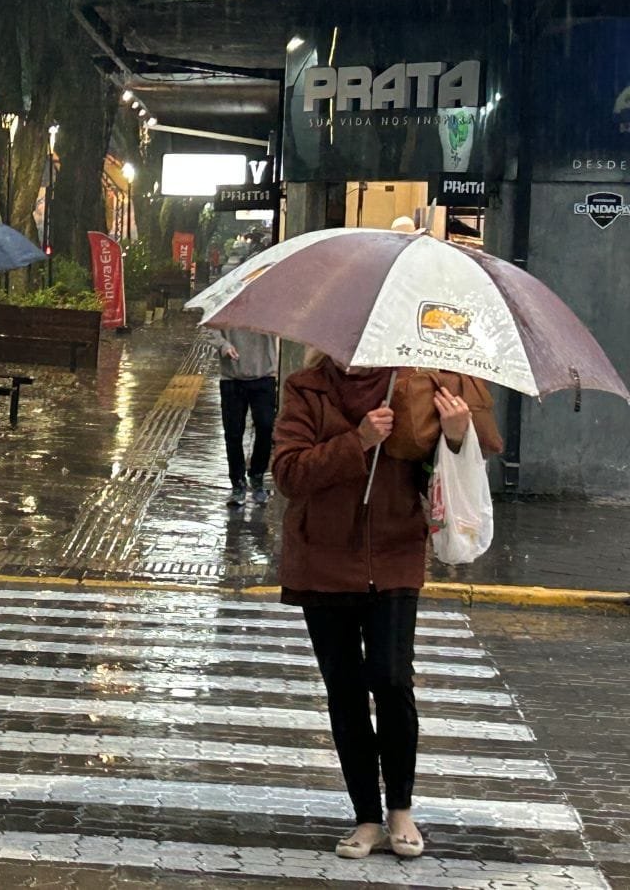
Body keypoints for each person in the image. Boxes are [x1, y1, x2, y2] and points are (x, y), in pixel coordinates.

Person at [273, 353, 501, 860]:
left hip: (395, 554)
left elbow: (434, 473)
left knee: (393, 678)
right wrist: (357, 442)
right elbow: (288, 474)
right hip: (323, 562)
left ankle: (400, 806)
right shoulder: (306, 389)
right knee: (346, 690)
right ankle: (367, 817)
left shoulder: (412, 385)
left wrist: (456, 435)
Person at [207, 327, 279, 506]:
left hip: (264, 375)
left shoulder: (271, 302)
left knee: (265, 426)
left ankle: (257, 475)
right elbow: (209, 327)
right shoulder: (228, 301)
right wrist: (223, 345)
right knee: (233, 433)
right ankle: (237, 483)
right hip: (232, 378)